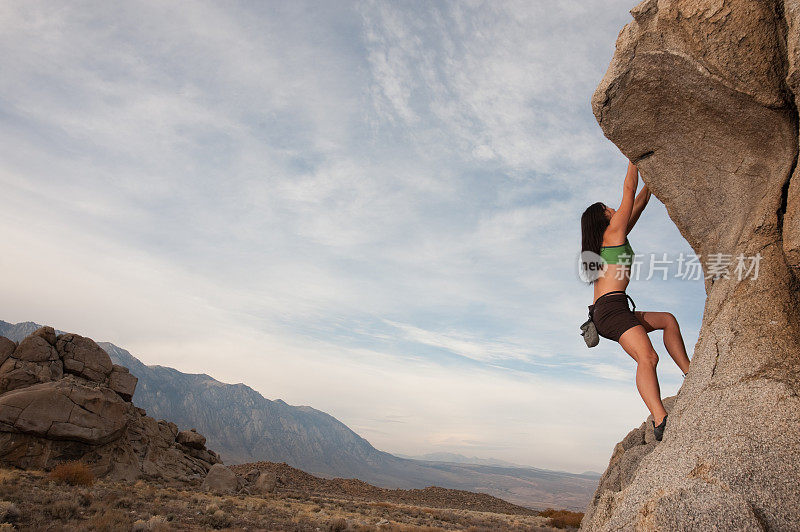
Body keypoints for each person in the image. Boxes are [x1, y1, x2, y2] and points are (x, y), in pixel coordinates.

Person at [580, 160, 691, 441]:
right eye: (608, 208)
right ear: (603, 217)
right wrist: (634, 158)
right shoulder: (611, 233)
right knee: (648, 357)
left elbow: (638, 202)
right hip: (610, 311)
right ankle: (660, 417)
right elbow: (629, 190)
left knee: (667, 320)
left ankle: (690, 373)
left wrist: (651, 181)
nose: (613, 208)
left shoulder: (617, 235)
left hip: (613, 309)